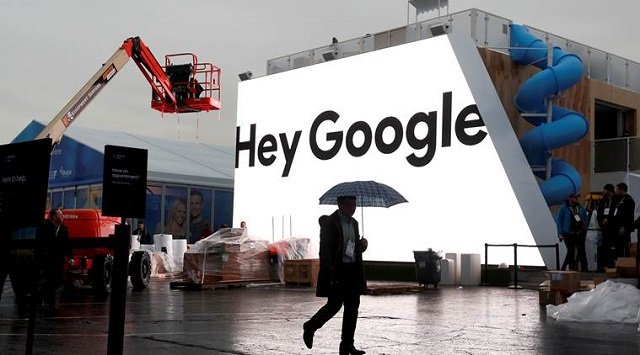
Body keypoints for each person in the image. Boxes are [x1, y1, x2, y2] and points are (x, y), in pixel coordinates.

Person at [303, 196, 369, 355]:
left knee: (352, 309)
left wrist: (362, 246)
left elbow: (352, 248)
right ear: (340, 205)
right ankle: (311, 326)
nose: (352, 208)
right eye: (349, 205)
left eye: (354, 205)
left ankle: (347, 344)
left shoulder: (354, 223)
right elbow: (325, 250)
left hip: (352, 271)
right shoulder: (330, 223)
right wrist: (330, 274)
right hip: (337, 271)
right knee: (334, 305)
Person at [35, 208, 70, 311]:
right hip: (47, 260)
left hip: (58, 260)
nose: (62, 216)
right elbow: (40, 243)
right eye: (60, 214)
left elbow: (67, 244)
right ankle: (42, 300)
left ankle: (51, 302)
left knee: (56, 282)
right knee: (46, 281)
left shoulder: (64, 229)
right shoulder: (45, 227)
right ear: (54, 216)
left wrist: (70, 256)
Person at [556, 193, 588, 271]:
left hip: (579, 233)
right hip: (568, 233)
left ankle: (584, 268)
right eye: (575, 197)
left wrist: (584, 228)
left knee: (581, 251)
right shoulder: (564, 208)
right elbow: (559, 220)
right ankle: (571, 267)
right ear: (570, 198)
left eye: (577, 198)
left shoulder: (580, 208)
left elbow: (585, 219)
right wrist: (560, 233)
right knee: (570, 251)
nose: (577, 199)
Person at [611, 182, 635, 258]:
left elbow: (629, 215)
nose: (616, 191)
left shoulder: (628, 200)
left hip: (624, 228)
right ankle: (618, 264)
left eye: (617, 189)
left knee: (624, 247)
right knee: (617, 248)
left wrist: (624, 226)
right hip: (617, 227)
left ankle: (625, 264)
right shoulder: (618, 199)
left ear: (622, 190)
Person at [596, 184, 616, 269]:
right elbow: (599, 212)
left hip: (613, 228)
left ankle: (612, 264)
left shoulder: (616, 200)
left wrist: (609, 219)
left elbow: (615, 213)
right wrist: (602, 220)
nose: (603, 192)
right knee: (604, 247)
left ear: (609, 191)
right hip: (604, 228)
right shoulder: (603, 201)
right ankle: (604, 265)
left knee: (612, 248)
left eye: (604, 190)